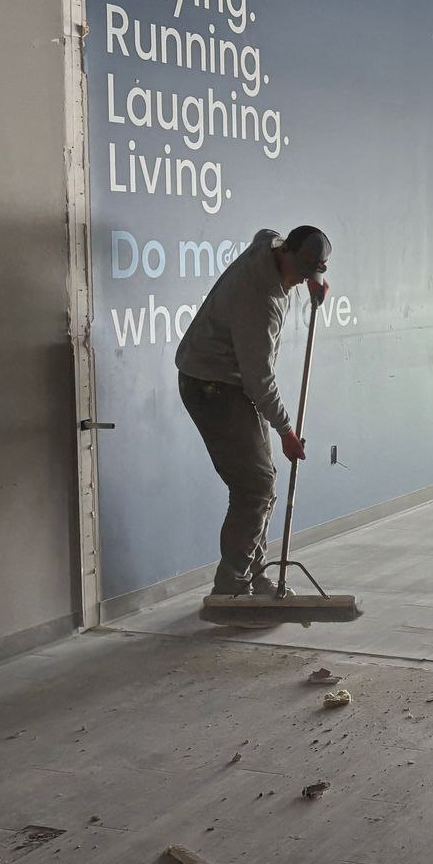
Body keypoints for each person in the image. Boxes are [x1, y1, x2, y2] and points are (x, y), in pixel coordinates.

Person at [175, 225, 332, 595]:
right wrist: (286, 432)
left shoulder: (270, 246)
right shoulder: (259, 300)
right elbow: (259, 380)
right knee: (256, 486)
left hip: (230, 382)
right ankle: (231, 584)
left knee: (263, 481)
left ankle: (253, 573)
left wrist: (313, 282)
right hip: (211, 385)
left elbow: (266, 232)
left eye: (309, 275)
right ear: (285, 253)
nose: (300, 282)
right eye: (300, 274)